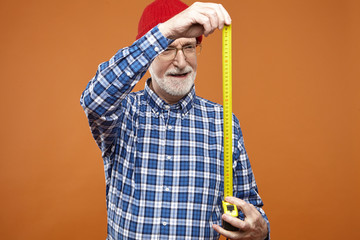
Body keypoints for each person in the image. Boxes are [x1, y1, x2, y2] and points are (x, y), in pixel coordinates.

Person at [80, 0, 270, 239]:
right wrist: (166, 30)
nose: (181, 62)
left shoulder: (224, 123)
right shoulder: (123, 112)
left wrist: (261, 231)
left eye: (189, 47)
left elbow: (250, 211)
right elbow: (94, 99)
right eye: (167, 48)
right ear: (147, 55)